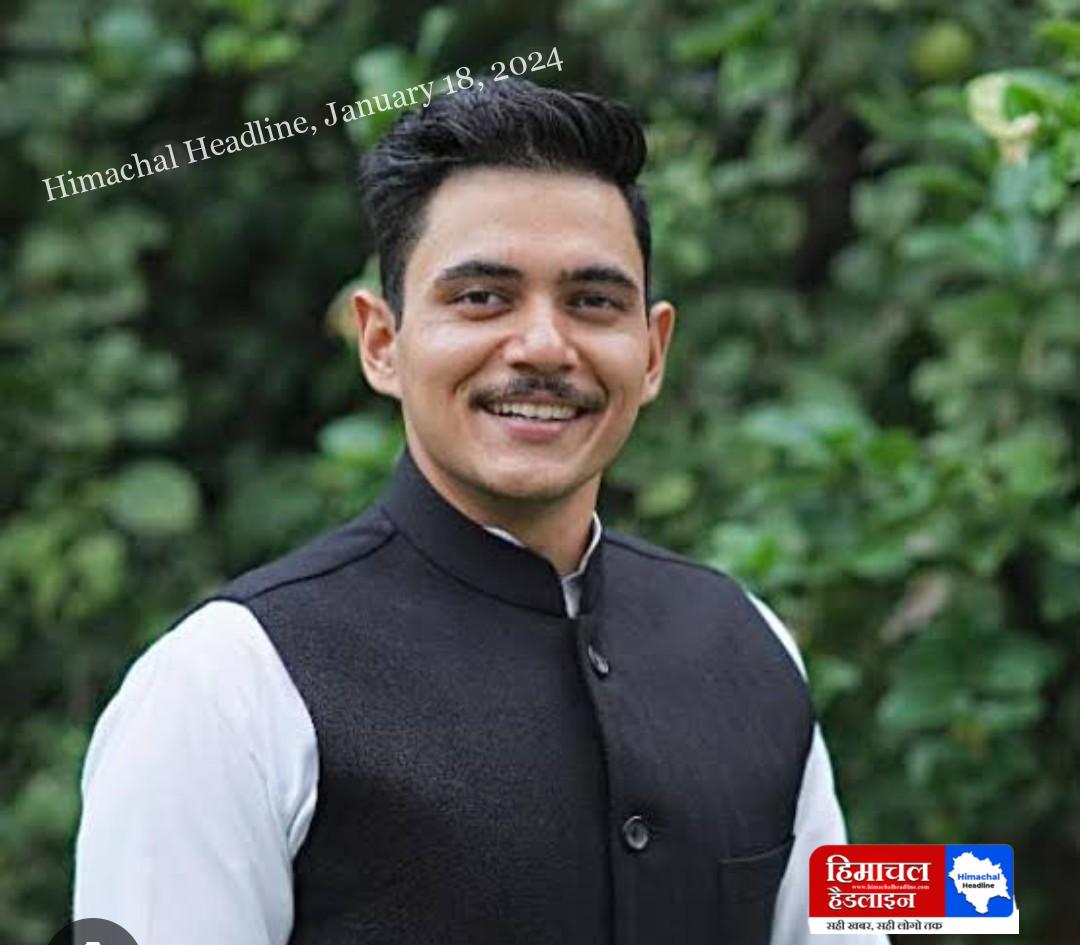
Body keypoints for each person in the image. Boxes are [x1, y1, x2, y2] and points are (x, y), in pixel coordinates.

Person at [74, 77, 887, 945]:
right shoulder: (226, 685)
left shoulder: (749, 644)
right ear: (382, 342)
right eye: (482, 298)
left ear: (652, 352)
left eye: (593, 302)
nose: (543, 346)